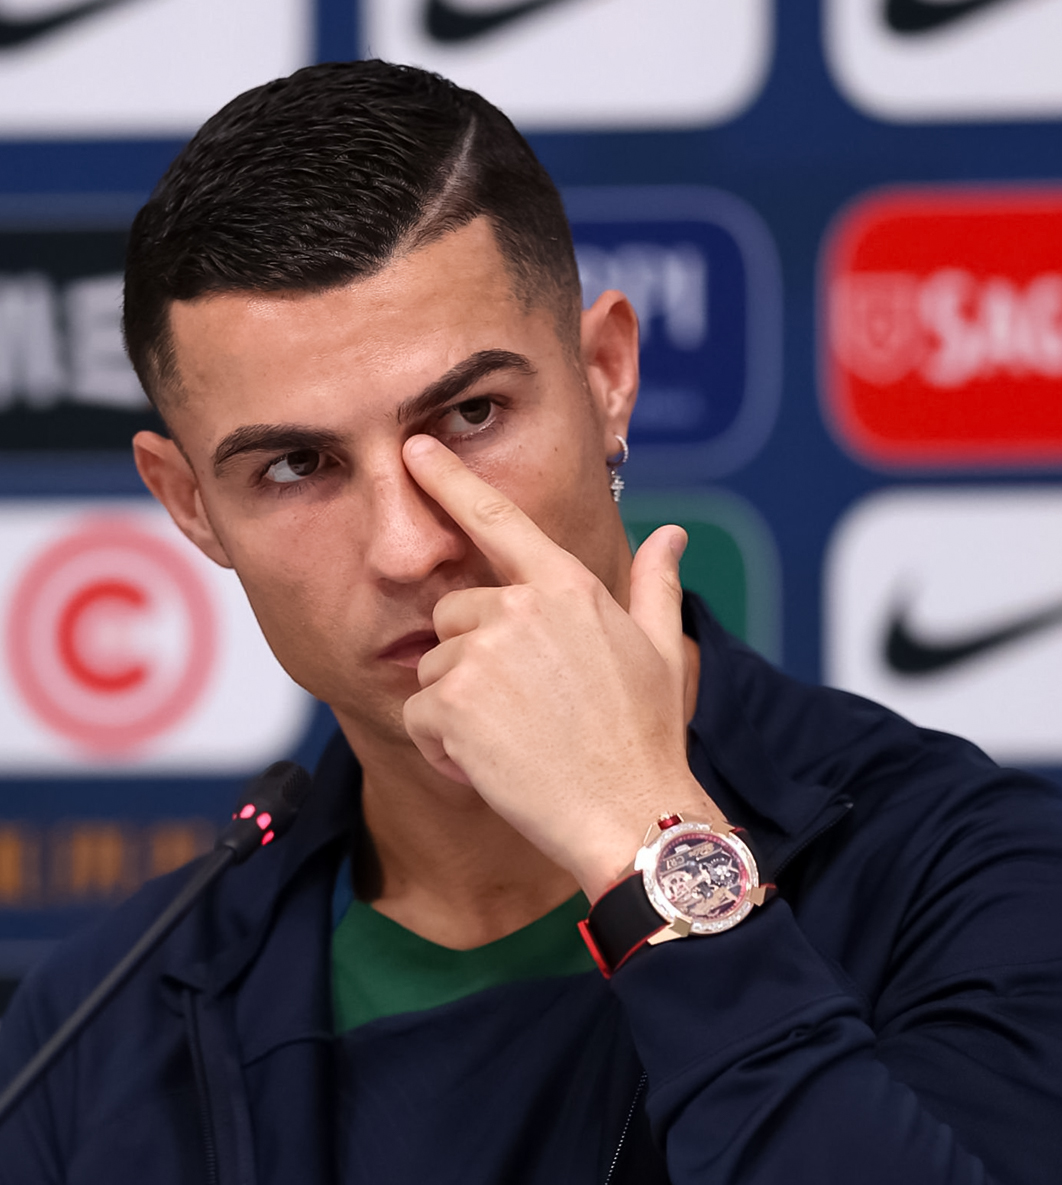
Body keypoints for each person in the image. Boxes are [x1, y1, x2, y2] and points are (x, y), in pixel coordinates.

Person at [1, 58, 1061, 1185]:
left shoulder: (969, 871)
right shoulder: (95, 1031)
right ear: (191, 506)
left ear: (607, 379)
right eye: (298, 466)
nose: (409, 547)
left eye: (470, 415)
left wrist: (646, 843)